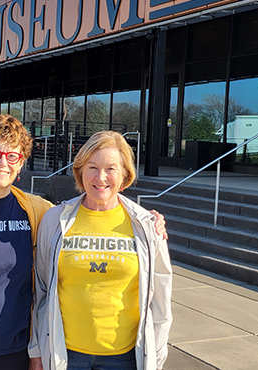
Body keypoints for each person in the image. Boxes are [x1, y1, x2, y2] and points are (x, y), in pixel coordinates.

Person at [0, 117, 167, 370]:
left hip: (14, 352)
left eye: (12, 156)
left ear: (21, 164)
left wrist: (150, 219)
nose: (2, 163)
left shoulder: (38, 212)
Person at [29, 131, 173, 370]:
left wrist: (156, 357)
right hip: (65, 354)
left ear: (125, 174)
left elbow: (161, 299)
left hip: (125, 358)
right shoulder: (55, 220)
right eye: (92, 167)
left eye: (111, 169)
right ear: (80, 171)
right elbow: (41, 291)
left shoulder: (146, 225)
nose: (101, 177)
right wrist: (36, 351)